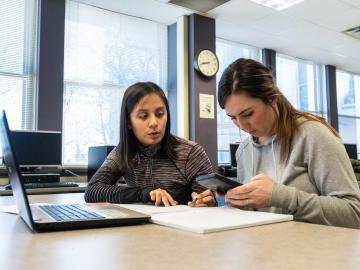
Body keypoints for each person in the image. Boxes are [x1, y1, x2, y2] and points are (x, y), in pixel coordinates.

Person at [217, 58, 360, 228]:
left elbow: (354, 213)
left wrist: (281, 196)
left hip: (314, 251)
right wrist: (235, 200)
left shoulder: (312, 135)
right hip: (263, 248)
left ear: (272, 100)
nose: (241, 126)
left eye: (248, 114)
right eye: (233, 118)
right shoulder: (244, 150)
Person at [85, 82, 215, 207]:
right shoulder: (123, 153)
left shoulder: (190, 152)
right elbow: (92, 191)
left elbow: (208, 199)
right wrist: (144, 194)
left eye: (160, 114)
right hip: (140, 226)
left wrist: (206, 201)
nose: (154, 123)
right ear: (129, 122)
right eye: (143, 116)